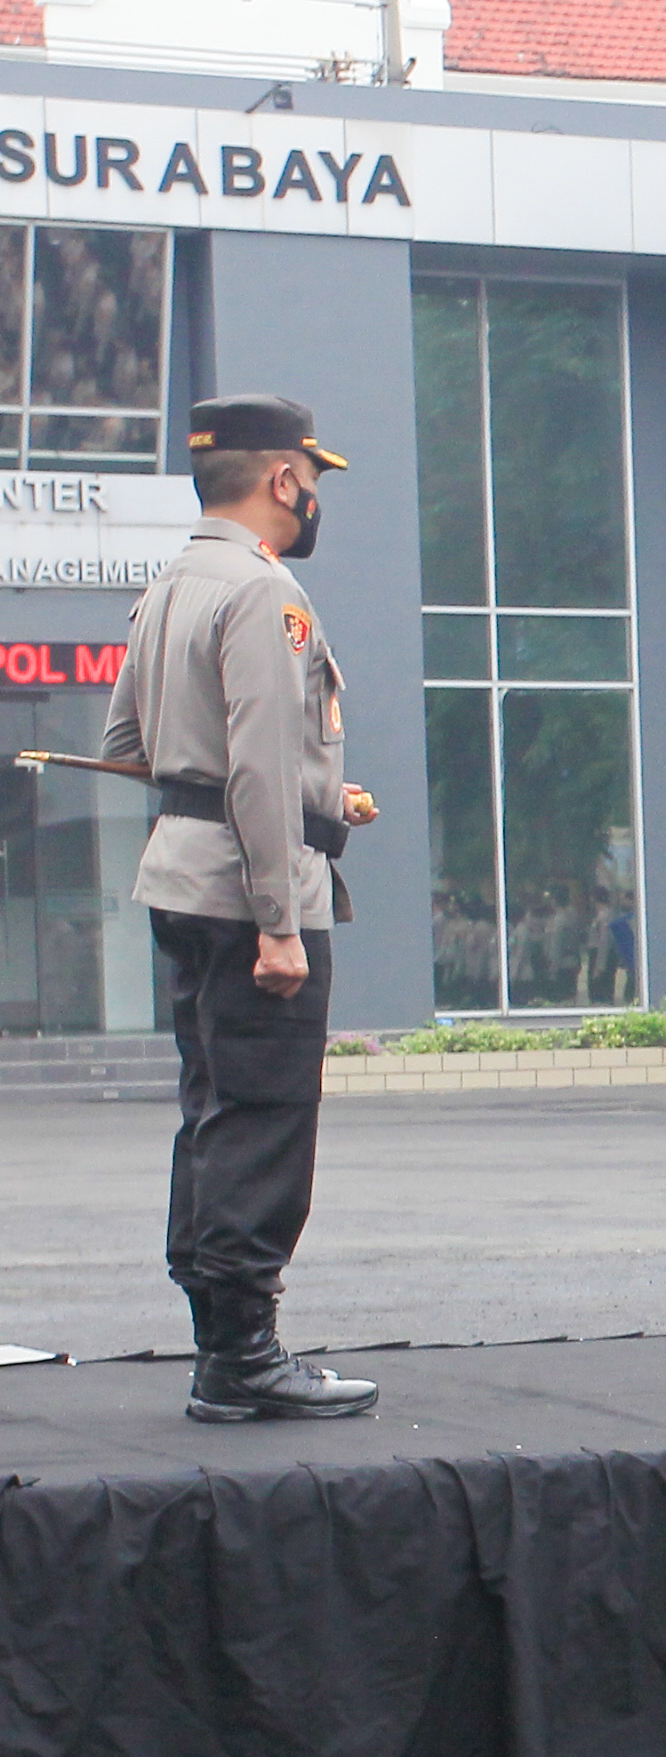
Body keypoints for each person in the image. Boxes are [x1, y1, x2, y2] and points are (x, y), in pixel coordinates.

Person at [96, 393, 380, 1420]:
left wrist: (307, 795)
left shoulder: (170, 582)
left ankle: (222, 1342)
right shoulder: (267, 595)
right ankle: (244, 1358)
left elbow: (129, 743)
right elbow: (258, 758)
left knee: (213, 1114)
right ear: (282, 479)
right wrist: (275, 918)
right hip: (254, 890)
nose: (313, 498)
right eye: (312, 478)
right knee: (263, 1119)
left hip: (182, 870)